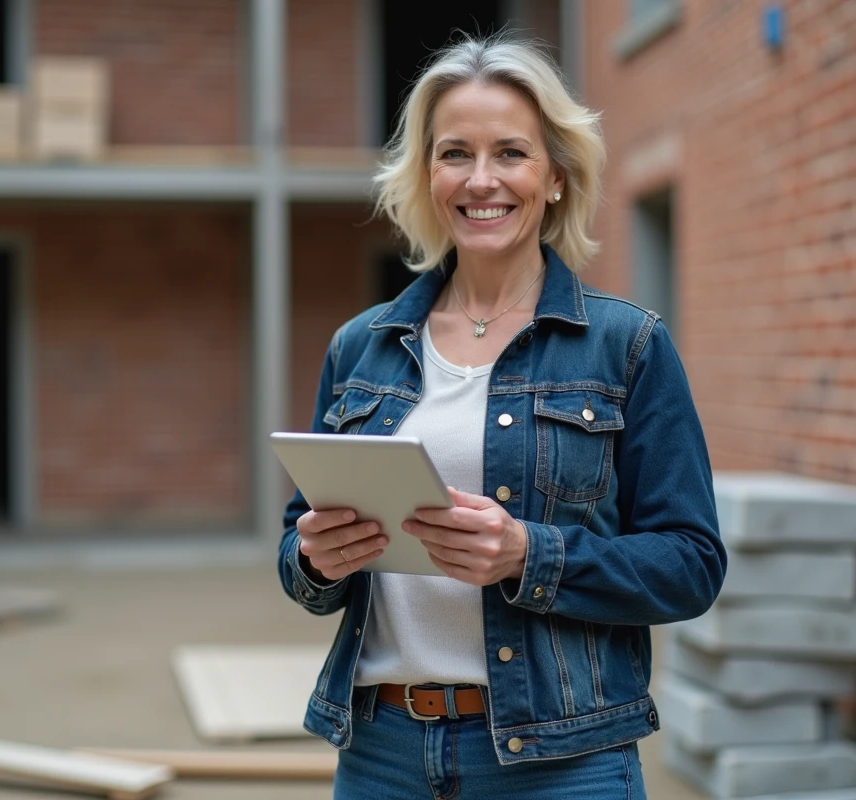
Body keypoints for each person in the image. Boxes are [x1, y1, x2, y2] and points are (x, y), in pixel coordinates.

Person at [278, 34, 725, 799]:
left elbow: (691, 566)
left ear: (554, 175)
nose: (481, 180)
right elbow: (300, 554)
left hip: (562, 763)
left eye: (511, 153)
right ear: (427, 174)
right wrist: (316, 558)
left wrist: (530, 554)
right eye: (455, 153)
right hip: (382, 754)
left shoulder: (628, 346)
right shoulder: (361, 346)